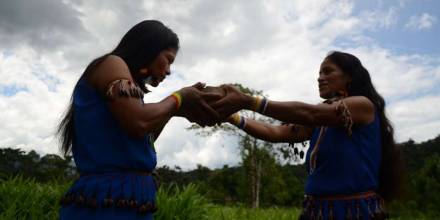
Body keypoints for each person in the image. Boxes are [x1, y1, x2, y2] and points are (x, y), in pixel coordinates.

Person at [57, 20, 221, 220]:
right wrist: (179, 98)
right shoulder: (112, 64)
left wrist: (172, 111)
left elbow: (144, 135)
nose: (168, 70)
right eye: (168, 59)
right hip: (105, 204)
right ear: (149, 48)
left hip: (129, 202)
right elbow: (139, 123)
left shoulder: (130, 92)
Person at [213, 51, 402, 219]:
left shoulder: (362, 105)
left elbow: (309, 113)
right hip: (317, 211)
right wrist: (232, 117)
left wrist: (247, 101)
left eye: (327, 71)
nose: (320, 78)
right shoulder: (322, 117)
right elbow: (276, 132)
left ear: (349, 76)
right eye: (319, 73)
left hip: (355, 212)